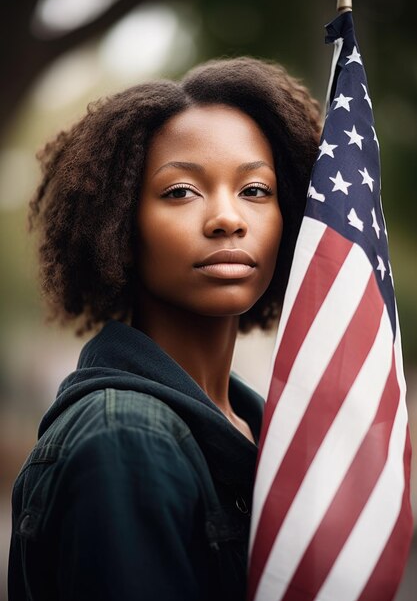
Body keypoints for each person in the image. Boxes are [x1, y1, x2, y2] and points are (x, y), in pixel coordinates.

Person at [8, 57, 321, 601]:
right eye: (180, 191)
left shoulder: (257, 429)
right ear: (118, 224)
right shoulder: (127, 436)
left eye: (255, 190)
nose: (228, 218)